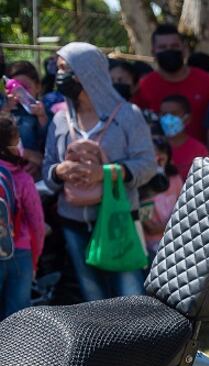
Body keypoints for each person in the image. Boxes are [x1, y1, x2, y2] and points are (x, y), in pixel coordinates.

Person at [43, 41, 156, 301]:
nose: (59, 75)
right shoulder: (61, 119)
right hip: (73, 221)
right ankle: (105, 342)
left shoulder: (128, 115)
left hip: (119, 220)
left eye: (65, 68)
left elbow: (147, 164)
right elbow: (48, 165)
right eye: (57, 68)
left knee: (130, 295)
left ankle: (139, 342)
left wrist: (105, 174)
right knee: (92, 296)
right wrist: (61, 170)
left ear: (88, 72)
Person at [134, 23, 209, 141]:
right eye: (163, 47)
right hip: (159, 156)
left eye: (174, 46)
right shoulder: (143, 86)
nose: (169, 50)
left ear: (184, 49)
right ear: (153, 52)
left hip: (203, 156)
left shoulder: (208, 83)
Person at [0, 116, 44, 318]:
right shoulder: (23, 178)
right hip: (20, 251)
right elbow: (37, 224)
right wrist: (34, 259)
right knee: (17, 319)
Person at [4, 61, 48, 178]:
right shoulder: (6, 110)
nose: (19, 93)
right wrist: (5, 111)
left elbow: (48, 142)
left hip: (36, 174)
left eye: (25, 88)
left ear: (38, 87)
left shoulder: (46, 112)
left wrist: (42, 117)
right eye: (15, 88)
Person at [141, 135, 182, 258]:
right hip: (151, 248)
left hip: (177, 242)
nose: (159, 156)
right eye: (154, 153)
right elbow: (149, 227)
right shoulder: (142, 186)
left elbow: (184, 208)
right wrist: (174, 225)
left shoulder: (176, 180)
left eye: (162, 152)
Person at [158, 94, 208, 179]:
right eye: (164, 114)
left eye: (174, 114)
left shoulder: (199, 150)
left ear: (187, 118)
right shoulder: (153, 147)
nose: (168, 119)